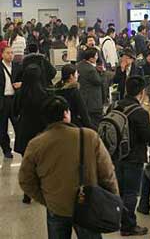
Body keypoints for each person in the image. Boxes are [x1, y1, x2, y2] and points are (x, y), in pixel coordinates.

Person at [18, 96, 119, 239]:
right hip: (88, 205)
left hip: (56, 207)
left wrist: (46, 199)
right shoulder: (89, 136)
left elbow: (25, 180)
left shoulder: (36, 144)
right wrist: (114, 198)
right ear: (66, 113)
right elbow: (107, 173)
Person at [115, 76, 150, 236]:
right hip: (134, 156)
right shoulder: (140, 113)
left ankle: (120, 220)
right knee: (131, 192)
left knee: (121, 191)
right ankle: (128, 225)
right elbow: (148, 137)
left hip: (116, 155)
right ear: (142, 92)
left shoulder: (114, 107)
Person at [13, 64, 50, 204]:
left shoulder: (20, 93)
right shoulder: (44, 94)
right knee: (42, 163)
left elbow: (15, 112)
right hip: (41, 132)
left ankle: (27, 194)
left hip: (25, 130)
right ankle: (43, 190)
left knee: (27, 163)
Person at [54, 64, 94, 129]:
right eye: (76, 73)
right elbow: (83, 113)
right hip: (73, 125)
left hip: (58, 126)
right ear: (71, 76)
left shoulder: (56, 90)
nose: (78, 75)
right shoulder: (74, 91)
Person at [0, 46, 21, 158]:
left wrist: (21, 84)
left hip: (14, 100)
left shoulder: (18, 67)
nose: (10, 55)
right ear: (2, 54)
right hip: (3, 100)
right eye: (8, 53)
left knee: (18, 125)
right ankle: (6, 150)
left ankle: (22, 147)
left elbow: (24, 80)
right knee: (2, 128)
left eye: (12, 53)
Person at [77, 48, 103, 128]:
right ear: (91, 58)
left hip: (83, 97)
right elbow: (99, 81)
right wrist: (102, 73)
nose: (97, 57)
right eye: (96, 56)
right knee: (95, 123)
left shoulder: (80, 65)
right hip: (93, 101)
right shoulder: (91, 70)